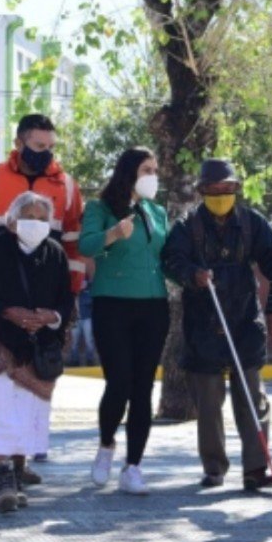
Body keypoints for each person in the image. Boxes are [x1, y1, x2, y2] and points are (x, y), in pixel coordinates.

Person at [0, 113, 84, 483]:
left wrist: (62, 310)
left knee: (32, 383)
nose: (46, 154)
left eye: (51, 147)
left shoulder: (67, 186)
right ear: (20, 143)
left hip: (45, 292)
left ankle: (19, 463)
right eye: (38, 146)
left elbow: (72, 245)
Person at [162, 159, 272, 493]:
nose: (222, 194)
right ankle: (214, 467)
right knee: (208, 403)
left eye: (228, 189)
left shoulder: (252, 223)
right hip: (203, 324)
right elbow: (170, 260)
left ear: (236, 189)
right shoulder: (187, 226)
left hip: (244, 322)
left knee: (252, 400)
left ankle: (256, 469)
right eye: (214, 190)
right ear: (202, 191)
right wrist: (193, 274)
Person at [0, 191, 74, 513]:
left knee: (26, 412)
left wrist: (51, 317)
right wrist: (6, 311)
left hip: (35, 346)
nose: (35, 223)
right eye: (28, 216)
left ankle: (17, 472)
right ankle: (2, 477)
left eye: (41, 218)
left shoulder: (56, 254)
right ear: (10, 221)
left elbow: (66, 298)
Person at [79, 147, 170, 495]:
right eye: (147, 169)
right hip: (112, 304)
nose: (153, 176)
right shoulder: (100, 208)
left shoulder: (157, 212)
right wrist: (113, 234)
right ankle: (106, 446)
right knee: (119, 382)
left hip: (153, 305)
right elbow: (86, 246)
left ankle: (133, 466)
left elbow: (168, 254)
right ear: (129, 172)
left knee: (143, 387)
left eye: (155, 170)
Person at [67, 259, 97, 367]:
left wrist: (86, 287)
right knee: (74, 340)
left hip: (87, 316)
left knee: (89, 340)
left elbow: (94, 300)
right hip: (76, 317)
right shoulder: (72, 286)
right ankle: (74, 360)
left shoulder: (90, 286)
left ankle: (91, 360)